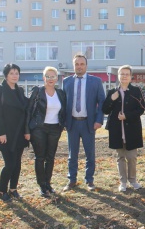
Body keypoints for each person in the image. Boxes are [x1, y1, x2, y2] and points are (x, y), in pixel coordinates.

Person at [62, 54, 105, 191]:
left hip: (89, 124)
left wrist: (99, 120)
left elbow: (102, 102)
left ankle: (89, 180)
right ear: (73, 66)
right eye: (76, 64)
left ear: (86, 66)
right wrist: (63, 121)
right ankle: (71, 180)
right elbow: (63, 103)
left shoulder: (95, 81)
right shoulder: (66, 81)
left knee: (90, 154)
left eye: (82, 64)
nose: (79, 67)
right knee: (72, 155)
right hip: (72, 124)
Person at [102, 65, 145, 192]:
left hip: (132, 130)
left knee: (132, 156)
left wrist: (127, 116)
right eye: (122, 74)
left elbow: (141, 109)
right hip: (116, 130)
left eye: (127, 74)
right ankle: (123, 182)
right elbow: (105, 110)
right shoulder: (112, 92)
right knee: (120, 157)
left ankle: (133, 180)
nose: (124, 76)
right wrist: (111, 99)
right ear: (118, 76)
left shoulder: (136, 91)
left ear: (131, 76)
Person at [0, 63, 30, 202]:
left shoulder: (19, 91)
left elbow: (26, 108)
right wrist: (1, 133)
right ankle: (2, 190)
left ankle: (13, 189)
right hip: (5, 135)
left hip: (19, 133)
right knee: (10, 164)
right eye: (12, 73)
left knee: (17, 163)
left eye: (17, 73)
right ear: (6, 75)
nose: (14, 75)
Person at [26, 66, 66, 197]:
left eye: (53, 76)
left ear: (57, 78)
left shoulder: (60, 93)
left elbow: (63, 111)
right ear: (44, 78)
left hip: (55, 129)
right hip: (39, 128)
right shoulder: (37, 91)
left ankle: (48, 183)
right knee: (40, 157)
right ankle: (42, 186)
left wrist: (62, 126)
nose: (50, 79)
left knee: (50, 157)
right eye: (48, 76)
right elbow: (29, 111)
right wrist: (27, 129)